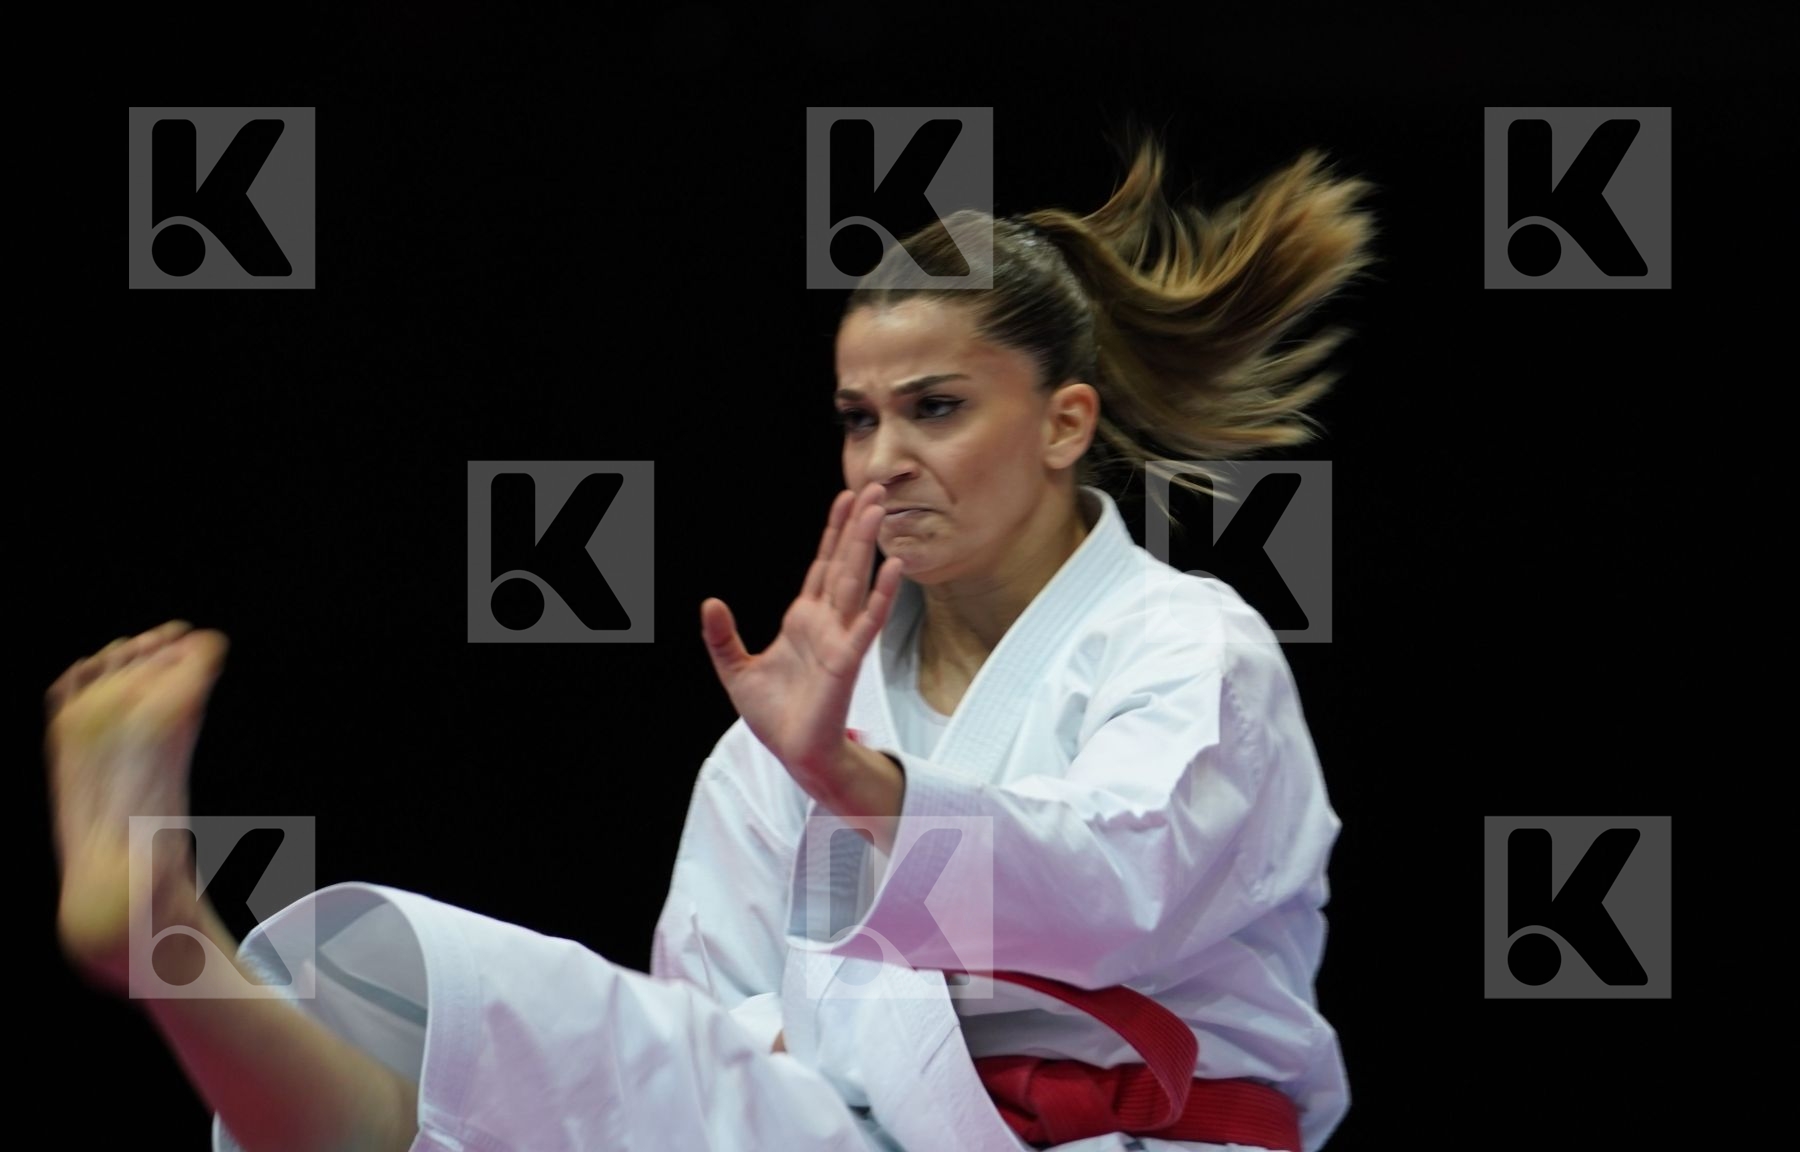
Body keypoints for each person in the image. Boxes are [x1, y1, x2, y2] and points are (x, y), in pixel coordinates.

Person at [43, 129, 1378, 1151]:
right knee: (525, 1044)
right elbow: (708, 1024)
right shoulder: (798, 722)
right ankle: (172, 949)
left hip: (1122, 1136)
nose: (887, 458)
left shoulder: (1189, 645)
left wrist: (857, 792)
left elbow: (1116, 891)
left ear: (1066, 422)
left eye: (935, 407)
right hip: (840, 1133)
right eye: (859, 418)